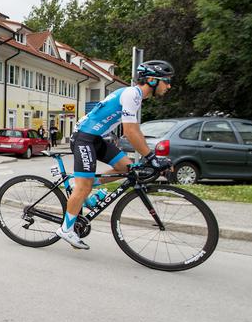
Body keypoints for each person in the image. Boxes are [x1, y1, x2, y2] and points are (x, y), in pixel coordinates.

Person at [56, 60, 175, 250]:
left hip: (95, 139)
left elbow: (135, 130)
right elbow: (130, 131)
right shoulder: (132, 94)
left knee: (127, 169)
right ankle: (66, 229)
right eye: (166, 81)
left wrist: (150, 158)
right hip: (83, 138)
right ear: (152, 80)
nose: (168, 86)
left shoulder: (135, 96)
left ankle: (87, 186)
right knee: (83, 186)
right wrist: (152, 158)